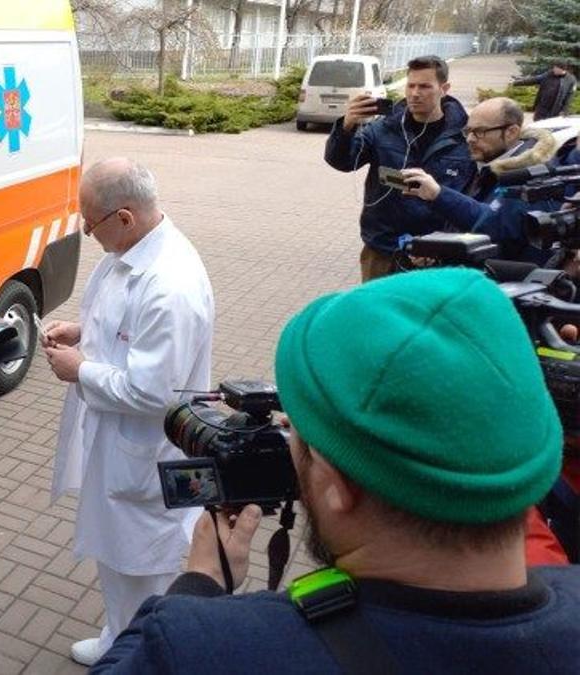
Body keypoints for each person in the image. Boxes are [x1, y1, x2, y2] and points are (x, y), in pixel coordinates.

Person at [93, 268, 580, 674]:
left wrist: (199, 583)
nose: (288, 444)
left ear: (339, 485)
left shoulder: (205, 649)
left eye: (298, 437)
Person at [42, 157, 214, 666]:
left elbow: (154, 392)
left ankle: (141, 655)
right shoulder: (129, 251)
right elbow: (122, 329)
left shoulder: (170, 285)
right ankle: (119, 632)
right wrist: (84, 333)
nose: (87, 232)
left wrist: (81, 370)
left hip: (145, 453)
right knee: (116, 554)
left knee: (142, 565)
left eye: (90, 222)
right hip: (118, 445)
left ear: (124, 217)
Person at [325, 55, 474, 281]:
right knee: (377, 314)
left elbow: (473, 198)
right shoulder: (383, 129)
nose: (415, 93)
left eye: (425, 86)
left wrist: (443, 244)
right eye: (411, 85)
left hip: (440, 255)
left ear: (444, 88)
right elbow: (342, 162)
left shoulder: (466, 137)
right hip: (384, 249)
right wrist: (346, 127)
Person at [400, 96, 568, 261]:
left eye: (479, 132)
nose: (470, 139)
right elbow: (467, 229)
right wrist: (438, 249)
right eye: (468, 131)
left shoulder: (533, 178)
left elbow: (495, 228)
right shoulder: (484, 162)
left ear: (511, 132)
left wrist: (439, 195)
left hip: (502, 285)